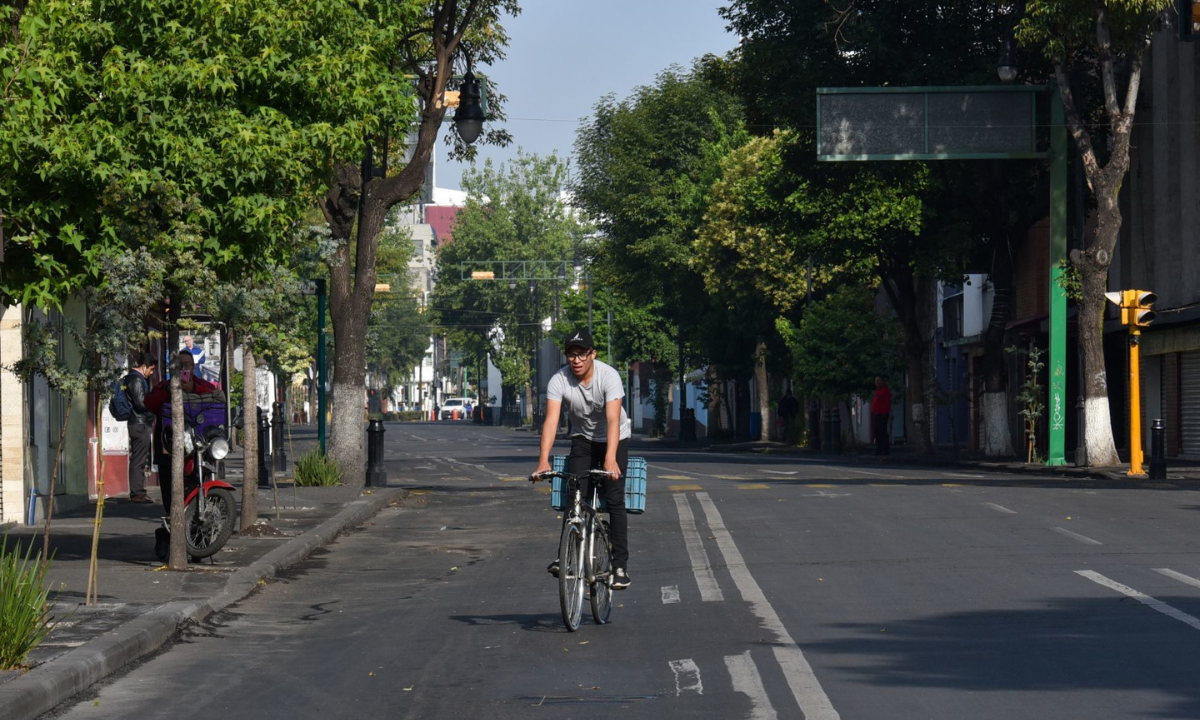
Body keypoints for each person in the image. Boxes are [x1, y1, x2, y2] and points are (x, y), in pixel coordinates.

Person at [534, 329, 633, 590]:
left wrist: (610, 459)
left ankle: (619, 566)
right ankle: (566, 557)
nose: (576, 360)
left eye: (581, 354)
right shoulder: (559, 380)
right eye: (571, 355)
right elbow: (552, 421)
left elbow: (613, 420)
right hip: (582, 439)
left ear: (593, 354)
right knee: (575, 490)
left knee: (614, 498)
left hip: (615, 438)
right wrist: (543, 460)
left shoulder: (608, 376)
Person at [144, 351, 219, 513]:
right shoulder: (164, 386)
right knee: (169, 490)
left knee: (196, 482)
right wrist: (170, 390)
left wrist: (193, 388)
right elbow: (149, 403)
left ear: (193, 367)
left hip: (198, 447)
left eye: (188, 365)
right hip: (168, 447)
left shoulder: (202, 384)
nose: (184, 368)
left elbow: (215, 396)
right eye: (180, 365)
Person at [125, 353, 158, 504]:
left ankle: (138, 491)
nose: (151, 373)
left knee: (139, 458)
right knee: (138, 459)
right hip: (139, 423)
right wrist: (154, 408)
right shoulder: (136, 379)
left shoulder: (134, 378)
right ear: (144, 366)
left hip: (139, 422)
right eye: (151, 369)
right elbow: (140, 403)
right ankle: (137, 492)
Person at [871, 376, 892, 456]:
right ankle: (879, 448)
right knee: (877, 432)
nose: (877, 382)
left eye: (878, 380)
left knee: (882, 432)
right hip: (876, 414)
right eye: (876, 381)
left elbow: (887, 402)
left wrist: (884, 413)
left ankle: (885, 449)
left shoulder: (885, 390)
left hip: (881, 414)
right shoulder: (877, 391)